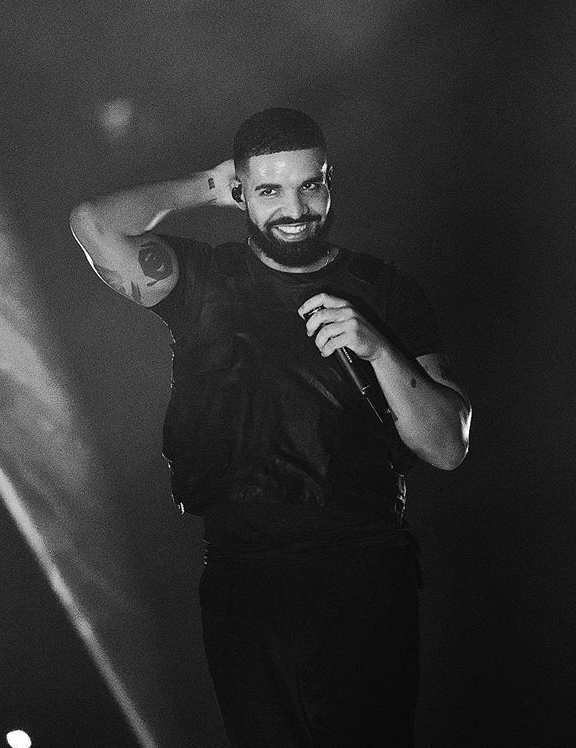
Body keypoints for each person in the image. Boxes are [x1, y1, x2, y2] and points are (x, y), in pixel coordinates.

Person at [70, 107, 471, 747]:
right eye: (269, 190)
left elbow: (449, 446)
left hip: (362, 573)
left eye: (309, 185)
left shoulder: (385, 290)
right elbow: (93, 224)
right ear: (243, 196)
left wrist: (379, 351)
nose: (295, 207)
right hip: (242, 577)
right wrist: (204, 184)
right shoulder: (204, 280)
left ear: (329, 183)